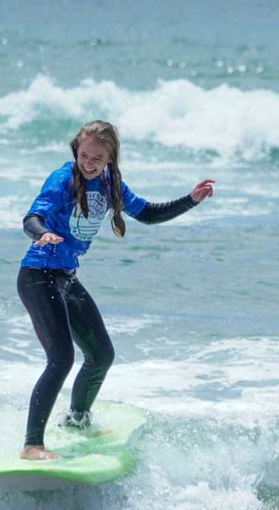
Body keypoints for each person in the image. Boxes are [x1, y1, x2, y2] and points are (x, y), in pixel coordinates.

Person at [17, 120, 214, 460]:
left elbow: (149, 214)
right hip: (38, 274)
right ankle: (32, 444)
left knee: (101, 355)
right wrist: (41, 234)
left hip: (65, 276)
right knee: (61, 359)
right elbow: (32, 218)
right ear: (75, 151)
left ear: (110, 157)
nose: (89, 163)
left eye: (96, 157)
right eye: (83, 155)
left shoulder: (111, 185)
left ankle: (78, 419)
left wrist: (191, 200)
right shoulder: (62, 179)